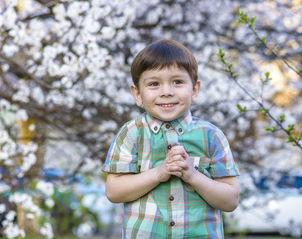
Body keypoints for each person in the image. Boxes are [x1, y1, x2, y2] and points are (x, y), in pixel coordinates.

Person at [102, 39, 240, 238]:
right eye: (154, 84)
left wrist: (193, 176)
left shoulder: (212, 136)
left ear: (194, 90)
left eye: (177, 81)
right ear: (137, 94)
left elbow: (230, 200)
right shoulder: (131, 133)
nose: (166, 92)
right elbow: (114, 191)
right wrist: (159, 173)